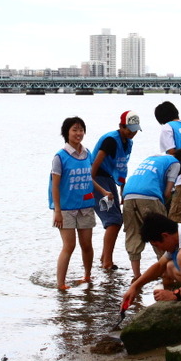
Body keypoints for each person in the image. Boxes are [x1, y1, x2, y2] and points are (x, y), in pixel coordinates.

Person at [49, 116, 111, 290]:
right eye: (74, 130)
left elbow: (87, 178)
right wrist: (58, 211)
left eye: (81, 129)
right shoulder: (60, 157)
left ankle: (87, 276)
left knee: (87, 245)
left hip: (85, 206)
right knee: (69, 246)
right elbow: (55, 186)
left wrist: (103, 191)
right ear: (66, 133)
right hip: (66, 208)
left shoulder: (87, 153)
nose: (78, 133)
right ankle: (61, 283)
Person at [122, 148, 181, 281]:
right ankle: (167, 275)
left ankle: (137, 276)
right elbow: (167, 192)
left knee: (133, 235)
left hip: (128, 196)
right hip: (149, 197)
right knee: (161, 235)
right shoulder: (175, 163)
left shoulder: (152, 158)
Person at [91, 111, 140, 270]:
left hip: (108, 180)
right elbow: (94, 168)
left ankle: (104, 258)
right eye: (129, 129)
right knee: (113, 221)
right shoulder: (111, 141)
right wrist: (97, 188)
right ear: (121, 126)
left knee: (117, 219)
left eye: (135, 129)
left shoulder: (127, 143)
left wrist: (122, 190)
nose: (132, 133)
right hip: (97, 180)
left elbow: (121, 168)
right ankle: (107, 263)